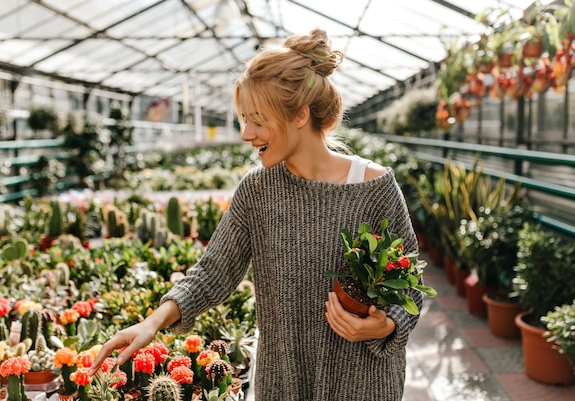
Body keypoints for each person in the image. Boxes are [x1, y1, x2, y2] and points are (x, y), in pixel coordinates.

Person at [89, 28, 422, 401]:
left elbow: (409, 282)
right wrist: (153, 322)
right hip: (283, 384)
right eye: (243, 119)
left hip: (364, 385)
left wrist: (386, 325)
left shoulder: (374, 187)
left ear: (299, 115)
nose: (247, 134)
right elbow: (214, 272)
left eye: (257, 120)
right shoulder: (257, 190)